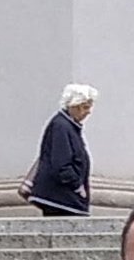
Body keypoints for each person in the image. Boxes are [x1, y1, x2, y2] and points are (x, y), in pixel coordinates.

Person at [25, 85, 97, 217]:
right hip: (62, 199)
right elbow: (61, 163)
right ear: (74, 105)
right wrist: (77, 186)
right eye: (85, 107)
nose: (89, 112)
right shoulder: (61, 126)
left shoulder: (67, 125)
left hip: (65, 198)